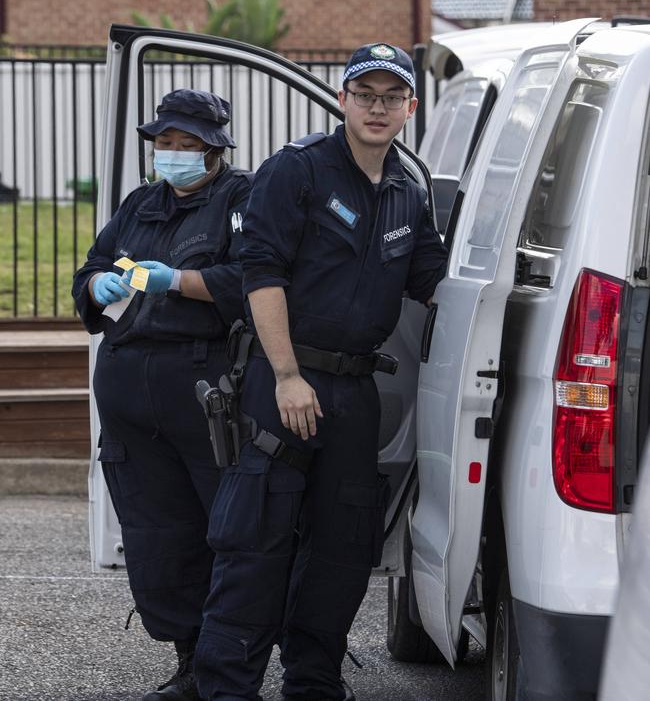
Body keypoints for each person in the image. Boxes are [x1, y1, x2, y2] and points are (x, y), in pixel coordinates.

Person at [194, 44, 448, 701]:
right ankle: (225, 687)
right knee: (256, 547)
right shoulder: (298, 170)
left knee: (340, 556)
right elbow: (262, 271)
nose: (377, 107)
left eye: (392, 97)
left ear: (410, 109)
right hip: (283, 383)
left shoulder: (406, 194)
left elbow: (433, 282)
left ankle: (313, 682)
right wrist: (285, 374)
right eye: (365, 93)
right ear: (342, 99)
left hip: (353, 393)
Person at [72, 89, 252, 701]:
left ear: (215, 148)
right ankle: (187, 660)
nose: (174, 154)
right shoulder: (140, 203)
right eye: (165, 143)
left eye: (188, 144)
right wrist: (97, 284)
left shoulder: (240, 199)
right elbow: (91, 266)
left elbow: (254, 280)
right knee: (155, 534)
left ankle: (222, 667)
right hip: (129, 382)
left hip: (202, 385)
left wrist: (181, 281)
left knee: (221, 531)